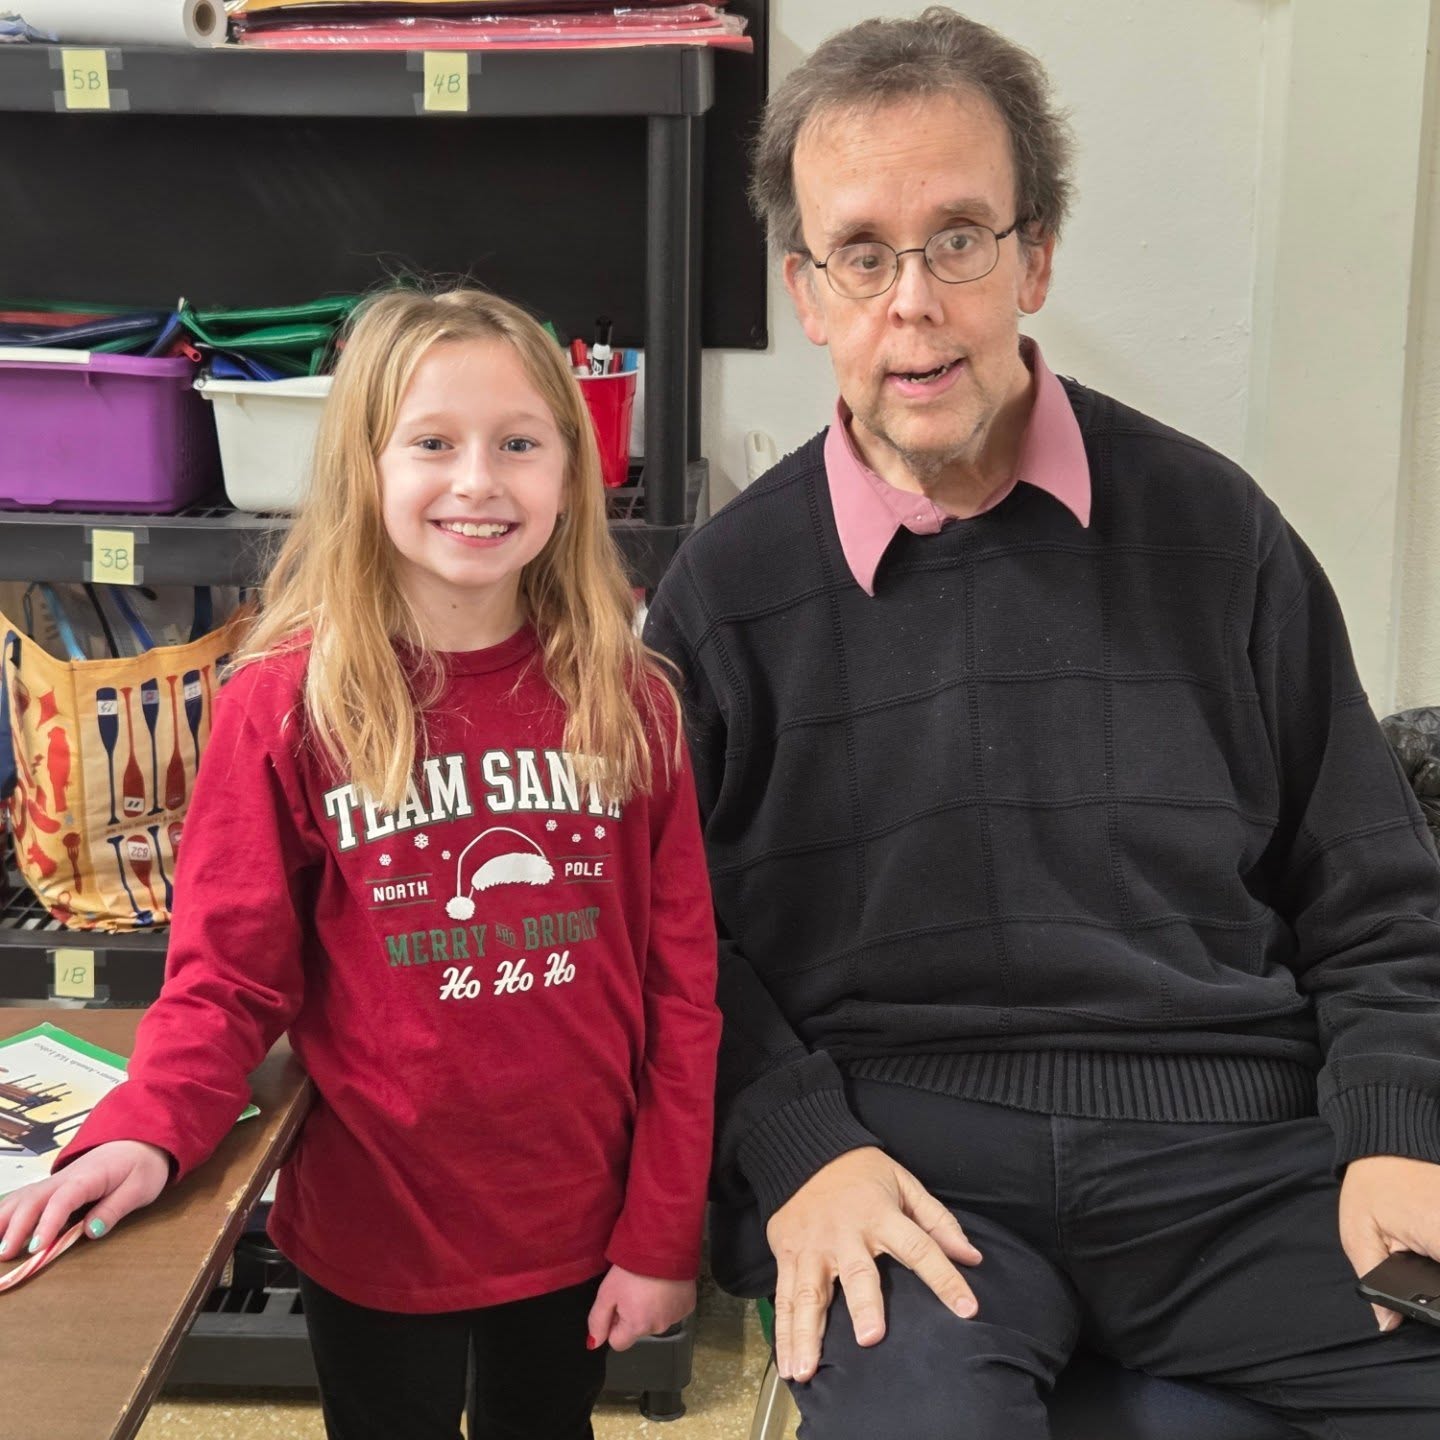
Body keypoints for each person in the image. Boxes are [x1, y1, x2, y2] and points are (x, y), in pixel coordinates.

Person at [643, 8, 1440, 1438]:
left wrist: (1396, 1131)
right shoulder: (723, 596)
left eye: (958, 239)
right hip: (903, 1172)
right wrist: (797, 1145)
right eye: (861, 253)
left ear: (1037, 257)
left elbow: (1375, 887)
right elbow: (670, 942)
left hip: (1233, 1158)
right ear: (806, 291)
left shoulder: (1220, 535)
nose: (913, 302)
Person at [0, 287, 721, 1440]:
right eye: (432, 442)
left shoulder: (631, 703)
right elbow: (227, 978)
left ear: (573, 470)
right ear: (363, 468)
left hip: (580, 1224)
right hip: (375, 1227)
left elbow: (681, 991)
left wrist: (664, 1231)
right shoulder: (282, 705)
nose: (479, 481)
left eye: (520, 443)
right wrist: (147, 1125)